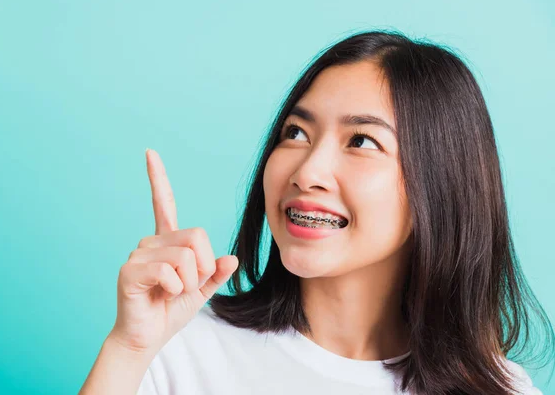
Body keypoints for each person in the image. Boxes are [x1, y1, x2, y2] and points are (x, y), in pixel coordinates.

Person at [79, 30, 554, 394]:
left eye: (361, 141)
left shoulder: (497, 388)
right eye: (296, 133)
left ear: (441, 184)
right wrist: (128, 350)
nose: (308, 171)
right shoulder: (177, 350)